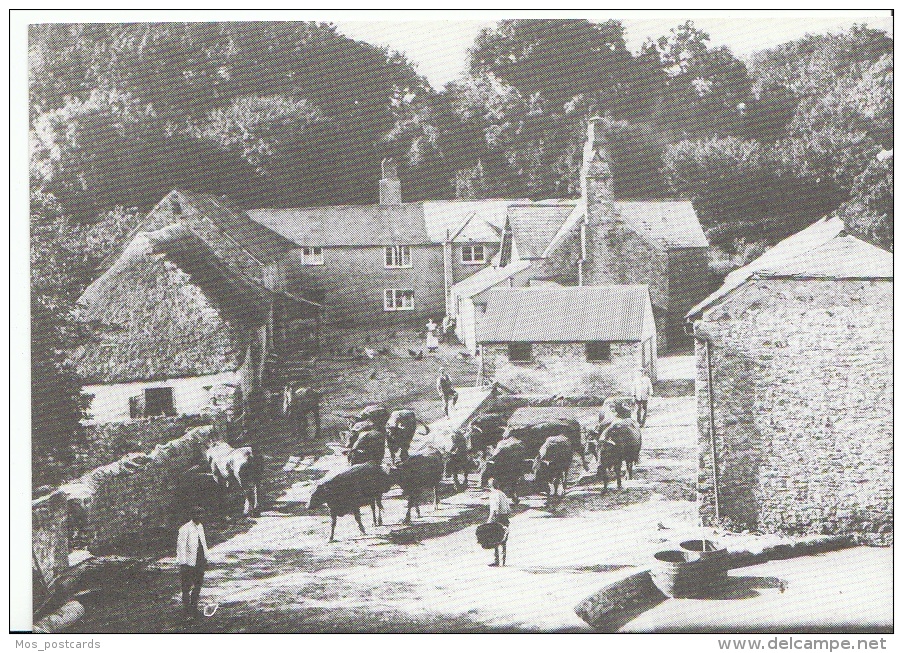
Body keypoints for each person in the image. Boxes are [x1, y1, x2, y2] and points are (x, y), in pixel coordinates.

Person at [176, 505, 209, 620]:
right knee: (186, 587)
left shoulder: (200, 527)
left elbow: (203, 543)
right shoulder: (185, 529)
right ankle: (186, 610)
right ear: (192, 515)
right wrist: (183, 563)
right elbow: (181, 547)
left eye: (200, 514)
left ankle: (194, 607)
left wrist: (206, 557)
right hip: (189, 562)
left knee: (198, 584)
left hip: (199, 560)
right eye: (196, 514)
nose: (198, 517)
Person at [487, 478, 511, 567]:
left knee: (495, 539)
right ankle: (503, 561)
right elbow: (509, 509)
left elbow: (494, 509)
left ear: (490, 486)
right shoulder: (502, 494)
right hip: (505, 517)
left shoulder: (493, 494)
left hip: (498, 517)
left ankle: (497, 561)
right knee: (504, 540)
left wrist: (489, 521)